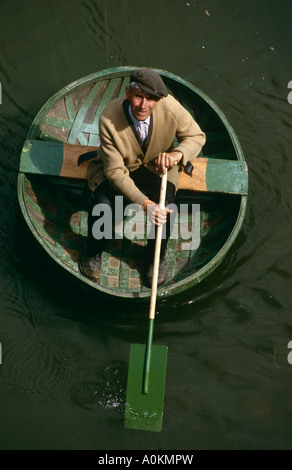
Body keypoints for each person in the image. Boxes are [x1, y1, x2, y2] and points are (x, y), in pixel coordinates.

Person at [79, 68, 206, 286]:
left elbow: (196, 136)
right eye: (138, 96)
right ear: (128, 93)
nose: (143, 105)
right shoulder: (109, 118)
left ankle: (154, 260)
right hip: (120, 167)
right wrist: (146, 204)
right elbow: (115, 172)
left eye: (151, 99)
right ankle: (93, 252)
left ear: (158, 100)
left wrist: (178, 154)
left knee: (167, 210)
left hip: (158, 169)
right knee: (102, 207)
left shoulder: (171, 107)